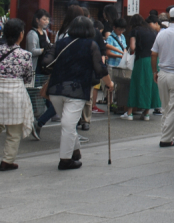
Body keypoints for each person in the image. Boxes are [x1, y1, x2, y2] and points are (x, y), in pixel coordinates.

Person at [44, 16, 114, 170]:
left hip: (56, 88)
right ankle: (65, 160)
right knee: (69, 124)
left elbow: (46, 62)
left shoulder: (60, 43)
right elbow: (100, 68)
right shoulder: (91, 45)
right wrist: (109, 84)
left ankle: (75, 152)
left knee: (67, 123)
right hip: (77, 89)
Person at [151, 6, 174, 148]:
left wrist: (155, 71)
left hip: (162, 73)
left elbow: (153, 54)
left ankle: (166, 134)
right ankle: (166, 138)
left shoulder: (161, 33)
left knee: (165, 107)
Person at [0, 19, 34, 171]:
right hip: (15, 94)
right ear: (21, 35)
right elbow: (28, 78)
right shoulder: (25, 55)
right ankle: (7, 161)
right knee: (14, 132)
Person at [124, 14, 161, 121]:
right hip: (154, 60)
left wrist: (130, 53)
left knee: (136, 83)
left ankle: (130, 113)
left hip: (141, 60)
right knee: (150, 85)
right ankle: (146, 113)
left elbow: (132, 47)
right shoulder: (152, 31)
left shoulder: (135, 31)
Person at [26, 9, 55, 140]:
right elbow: (31, 51)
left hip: (44, 69)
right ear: (37, 20)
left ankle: (48, 113)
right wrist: (44, 49)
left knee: (45, 92)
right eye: (44, 19)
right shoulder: (32, 34)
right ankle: (39, 117)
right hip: (36, 68)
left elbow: (48, 44)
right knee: (39, 94)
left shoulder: (44, 32)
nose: (47, 22)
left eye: (47, 19)